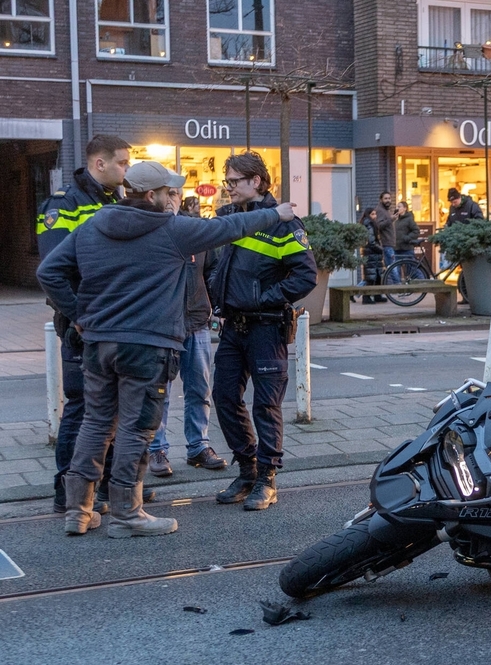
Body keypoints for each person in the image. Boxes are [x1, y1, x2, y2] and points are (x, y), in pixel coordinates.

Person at [36, 161, 298, 537]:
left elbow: (48, 272)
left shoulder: (93, 225)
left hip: (98, 344)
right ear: (151, 195)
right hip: (147, 348)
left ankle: (79, 511)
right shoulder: (171, 229)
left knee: (95, 424)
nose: (171, 196)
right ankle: (127, 516)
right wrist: (275, 213)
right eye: (166, 191)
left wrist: (78, 314)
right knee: (135, 429)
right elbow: (228, 227)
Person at [209, 151, 318, 511]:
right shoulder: (228, 218)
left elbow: (306, 275)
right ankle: (247, 469)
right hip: (233, 326)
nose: (228, 187)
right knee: (224, 397)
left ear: (255, 181)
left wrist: (264, 298)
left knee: (266, 405)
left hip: (266, 327)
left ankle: (267, 479)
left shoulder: (284, 224)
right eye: (226, 181)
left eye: (234, 181)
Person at [36, 134, 130, 514]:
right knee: (81, 407)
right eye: (122, 162)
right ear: (99, 163)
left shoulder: (115, 201)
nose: (127, 169)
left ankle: (103, 487)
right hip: (83, 326)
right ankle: (67, 492)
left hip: (113, 322)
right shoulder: (63, 205)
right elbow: (54, 271)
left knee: (113, 408)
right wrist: (79, 316)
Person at [145, 186, 227, 478]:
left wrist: (216, 306)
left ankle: (198, 446)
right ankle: (157, 449)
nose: (170, 200)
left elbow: (212, 269)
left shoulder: (195, 232)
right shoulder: (148, 232)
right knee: (159, 392)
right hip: (161, 327)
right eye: (164, 193)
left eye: (174, 194)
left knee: (199, 389)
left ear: (181, 198)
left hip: (196, 322)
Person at [359, 207, 385, 303]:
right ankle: (367, 297)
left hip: (372, 254)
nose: (375, 216)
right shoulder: (369, 224)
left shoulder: (367, 223)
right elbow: (371, 242)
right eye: (372, 214)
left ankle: (377, 295)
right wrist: (381, 249)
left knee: (376, 276)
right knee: (371, 277)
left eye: (375, 214)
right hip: (371, 253)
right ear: (368, 215)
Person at [376, 191, 397, 279]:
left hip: (388, 243)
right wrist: (391, 219)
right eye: (385, 198)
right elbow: (379, 225)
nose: (388, 200)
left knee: (390, 267)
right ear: (381, 200)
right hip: (386, 243)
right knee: (393, 267)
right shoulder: (380, 210)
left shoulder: (385, 210)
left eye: (389, 198)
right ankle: (397, 284)